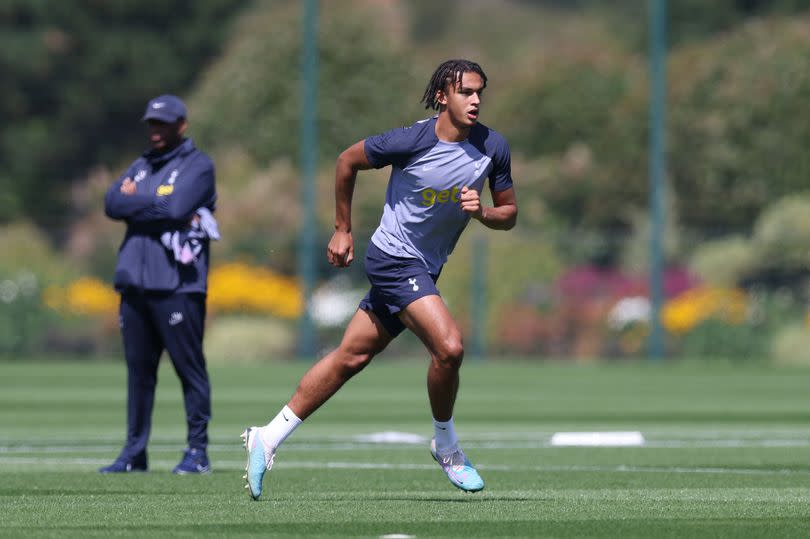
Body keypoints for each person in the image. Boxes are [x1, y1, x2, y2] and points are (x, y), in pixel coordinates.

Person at [241, 59, 518, 499]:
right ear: (443, 96)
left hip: (424, 268)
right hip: (392, 260)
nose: (477, 100)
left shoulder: (493, 148)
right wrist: (342, 228)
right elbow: (347, 161)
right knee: (449, 347)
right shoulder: (410, 140)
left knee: (350, 358)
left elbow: (509, 214)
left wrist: (482, 212)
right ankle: (446, 446)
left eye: (480, 92)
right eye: (466, 92)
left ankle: (267, 437)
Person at [100, 94, 218, 474]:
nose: (155, 131)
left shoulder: (199, 165)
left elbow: (177, 208)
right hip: (135, 283)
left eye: (163, 124)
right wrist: (152, 203)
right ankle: (135, 453)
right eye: (151, 124)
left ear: (181, 125)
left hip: (177, 285)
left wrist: (140, 203)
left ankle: (197, 452)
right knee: (139, 373)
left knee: (189, 369)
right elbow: (111, 203)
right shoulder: (140, 165)